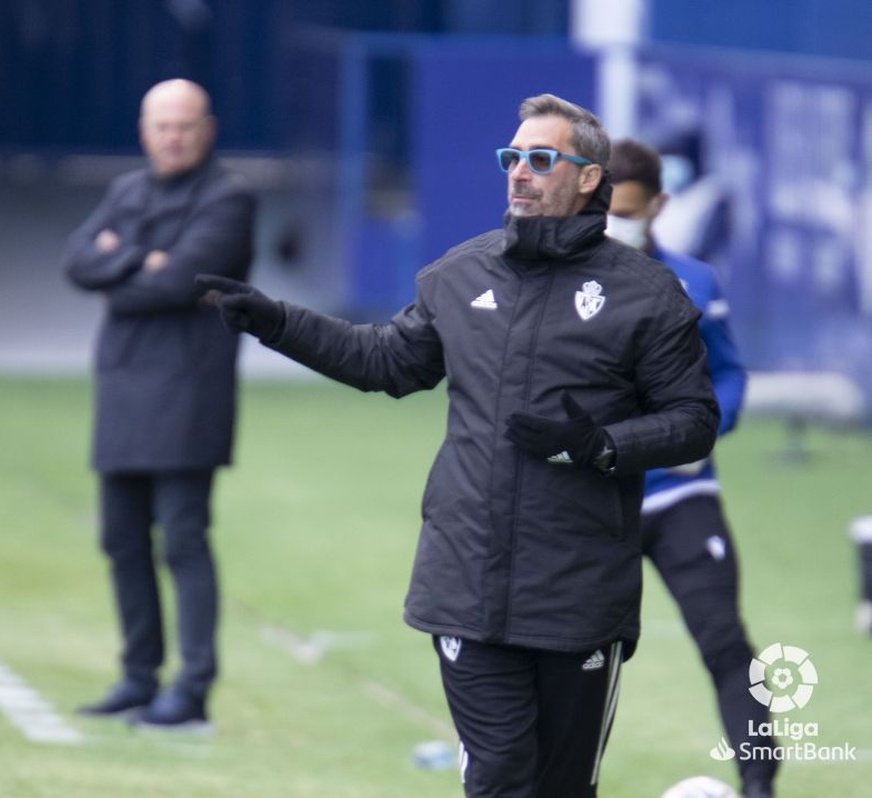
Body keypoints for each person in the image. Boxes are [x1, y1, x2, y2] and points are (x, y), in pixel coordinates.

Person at [198, 95, 719, 797]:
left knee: (561, 787)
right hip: (467, 582)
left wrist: (598, 445)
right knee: (500, 776)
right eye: (513, 159)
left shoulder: (648, 296)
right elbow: (385, 361)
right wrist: (276, 321)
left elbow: (692, 420)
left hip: (578, 594)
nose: (520, 174)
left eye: (541, 159)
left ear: (589, 177)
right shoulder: (461, 274)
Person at [63, 79, 255, 730]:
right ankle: (138, 677)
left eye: (184, 125)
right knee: (120, 540)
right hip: (122, 390)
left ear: (209, 127)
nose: (173, 136)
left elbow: (183, 281)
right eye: (161, 125)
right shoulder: (126, 191)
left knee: (183, 540)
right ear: (144, 130)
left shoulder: (229, 199)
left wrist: (126, 262)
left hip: (188, 393)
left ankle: (192, 687)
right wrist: (145, 263)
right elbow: (78, 261)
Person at [606, 137, 777, 798]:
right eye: (606, 211)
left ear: (659, 205)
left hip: (681, 495)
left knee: (725, 641)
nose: (616, 223)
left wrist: (708, 427)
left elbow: (729, 377)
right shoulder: (568, 285)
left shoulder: (695, 282)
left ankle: (759, 786)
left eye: (629, 210)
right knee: (571, 655)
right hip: (595, 505)